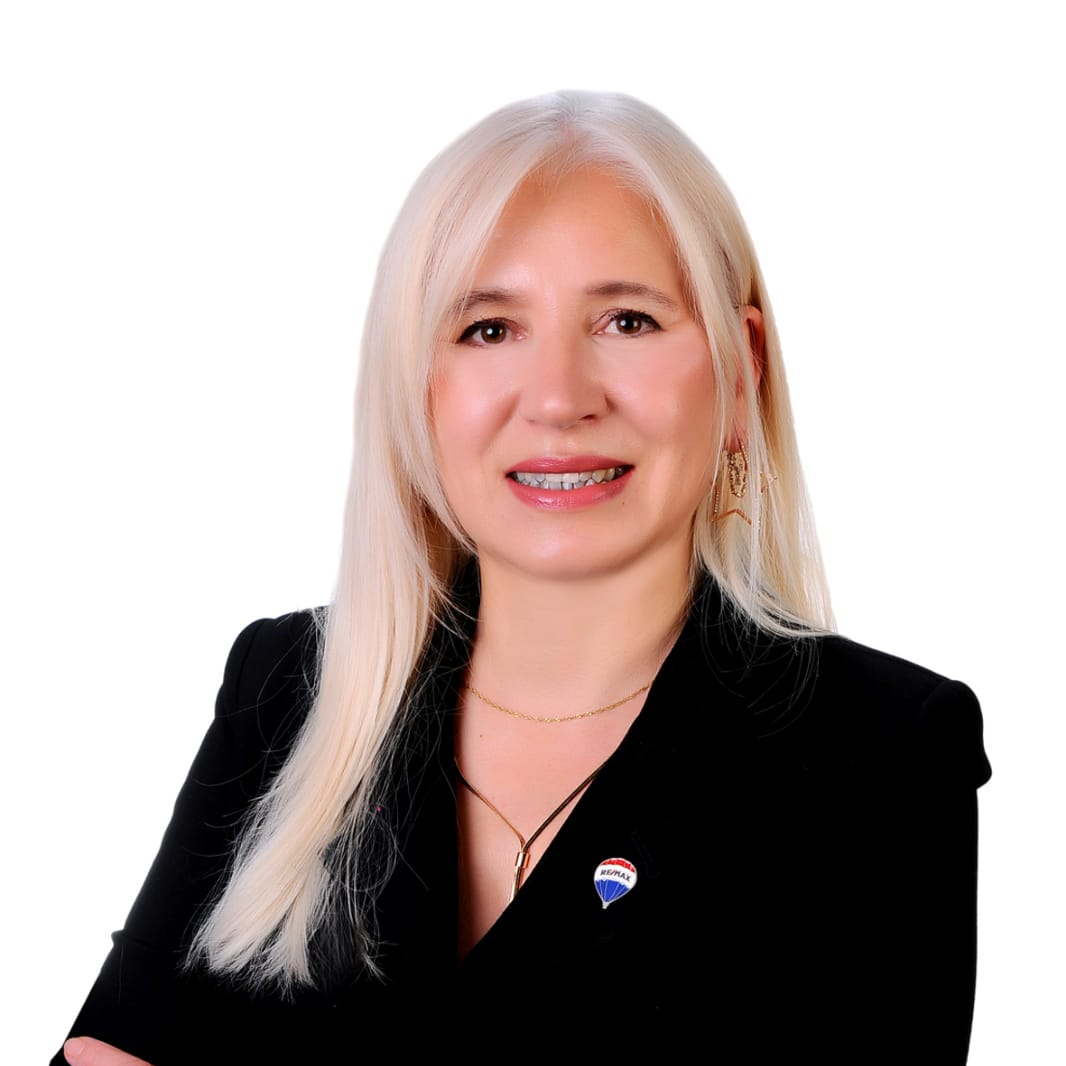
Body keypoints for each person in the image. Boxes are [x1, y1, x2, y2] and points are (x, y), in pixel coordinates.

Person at [55, 91, 991, 1064]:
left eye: (627, 320)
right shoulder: (291, 687)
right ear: (414, 385)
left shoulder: (883, 750)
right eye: (489, 330)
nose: (557, 398)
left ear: (740, 370)